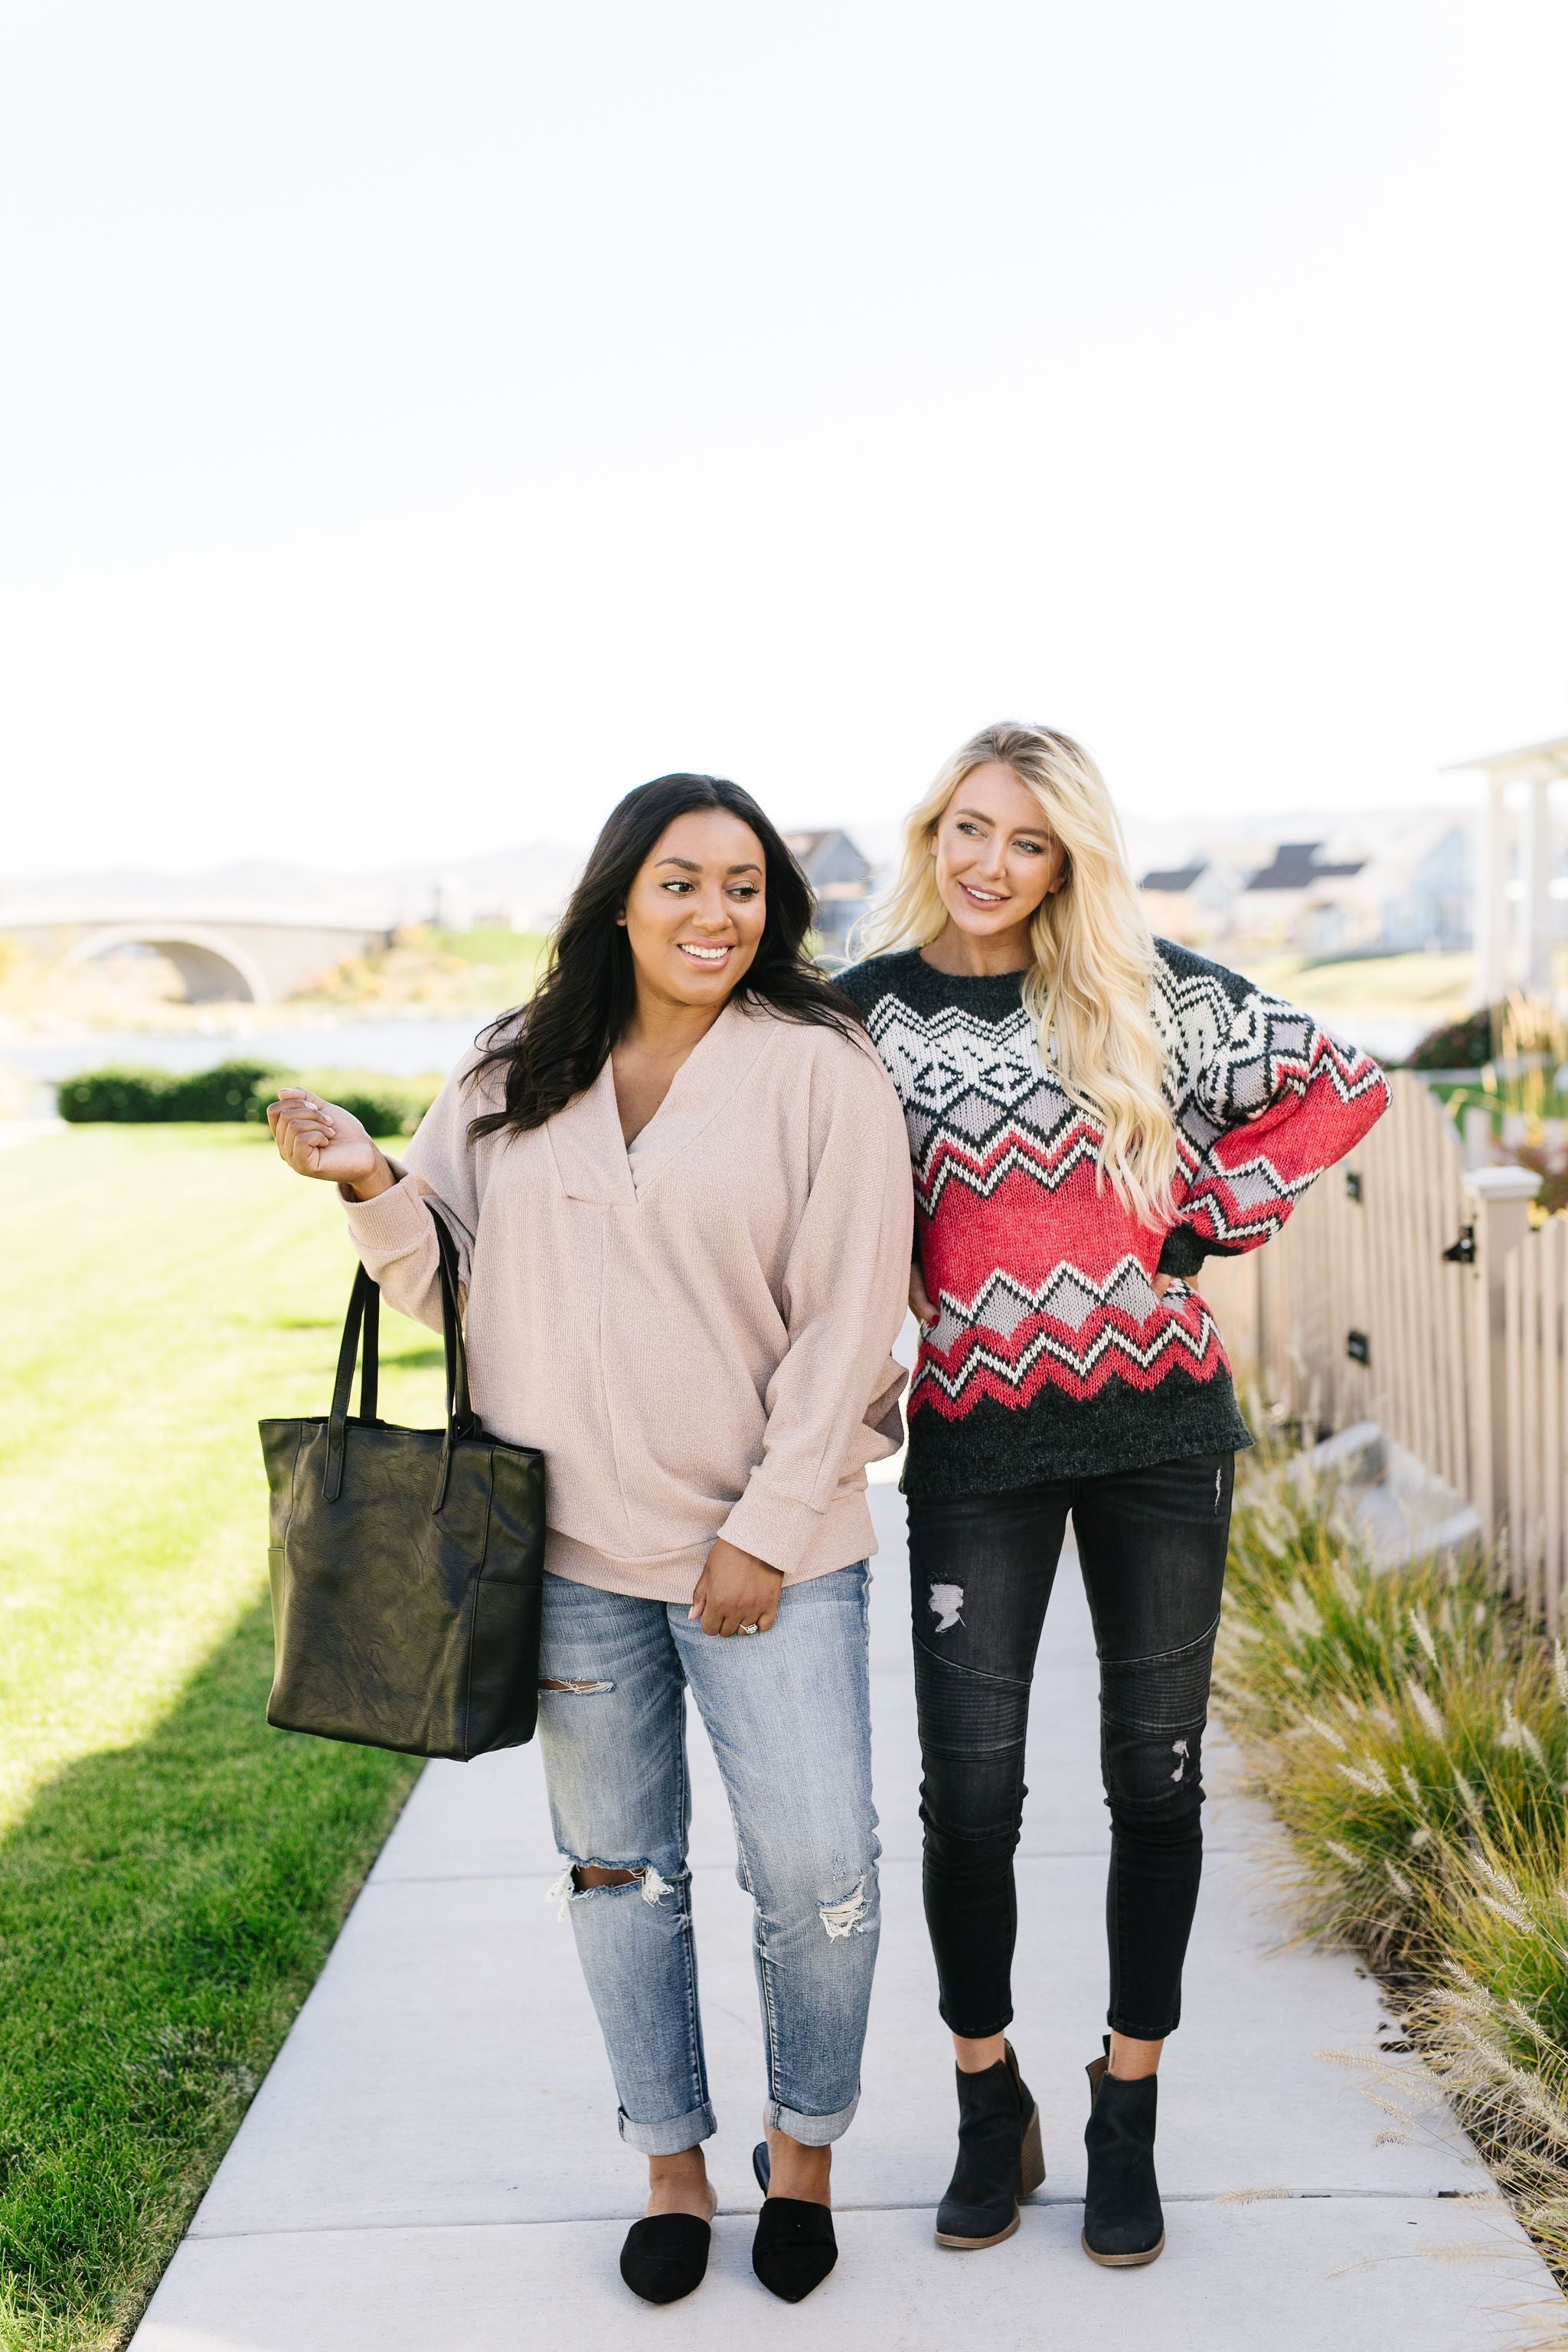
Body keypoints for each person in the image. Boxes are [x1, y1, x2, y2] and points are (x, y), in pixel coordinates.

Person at [266, 774, 913, 2307]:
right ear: (621, 894)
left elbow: (851, 1314)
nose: (714, 913)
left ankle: (803, 2152)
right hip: (562, 1559)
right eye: (682, 881)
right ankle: (673, 2166)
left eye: (743, 887)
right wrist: (368, 1178)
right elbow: (459, 1290)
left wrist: (762, 1530)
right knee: (619, 1873)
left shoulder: (819, 1070)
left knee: (818, 1873)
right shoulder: (513, 1066)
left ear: (775, 909)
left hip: (774, 1552)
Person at [835, 723, 1388, 2266]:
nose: (986, 864)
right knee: (972, 1797)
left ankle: (1122, 2107)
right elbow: (791, 1179)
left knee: (1153, 1782)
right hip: (972, 1446)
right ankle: (980, 2096)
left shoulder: (1146, 991)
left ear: (1066, 857)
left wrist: (1205, 1216)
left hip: (1158, 1436)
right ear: (926, 833)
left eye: (1023, 840)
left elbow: (1340, 1087)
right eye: (963, 828)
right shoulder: (862, 1015)